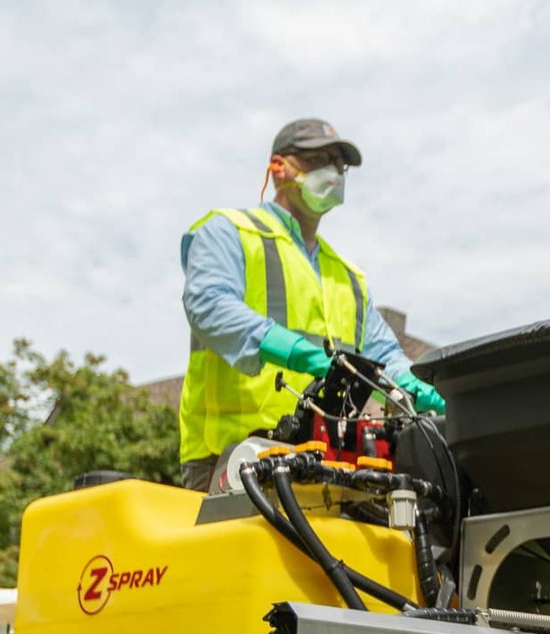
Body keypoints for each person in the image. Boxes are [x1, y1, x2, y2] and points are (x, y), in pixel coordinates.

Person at [178, 118, 444, 490]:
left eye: (339, 165)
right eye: (319, 160)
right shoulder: (229, 232)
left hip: (330, 458)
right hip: (234, 453)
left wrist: (425, 386)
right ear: (279, 168)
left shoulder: (347, 276)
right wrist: (294, 351)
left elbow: (384, 353)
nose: (333, 173)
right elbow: (208, 305)